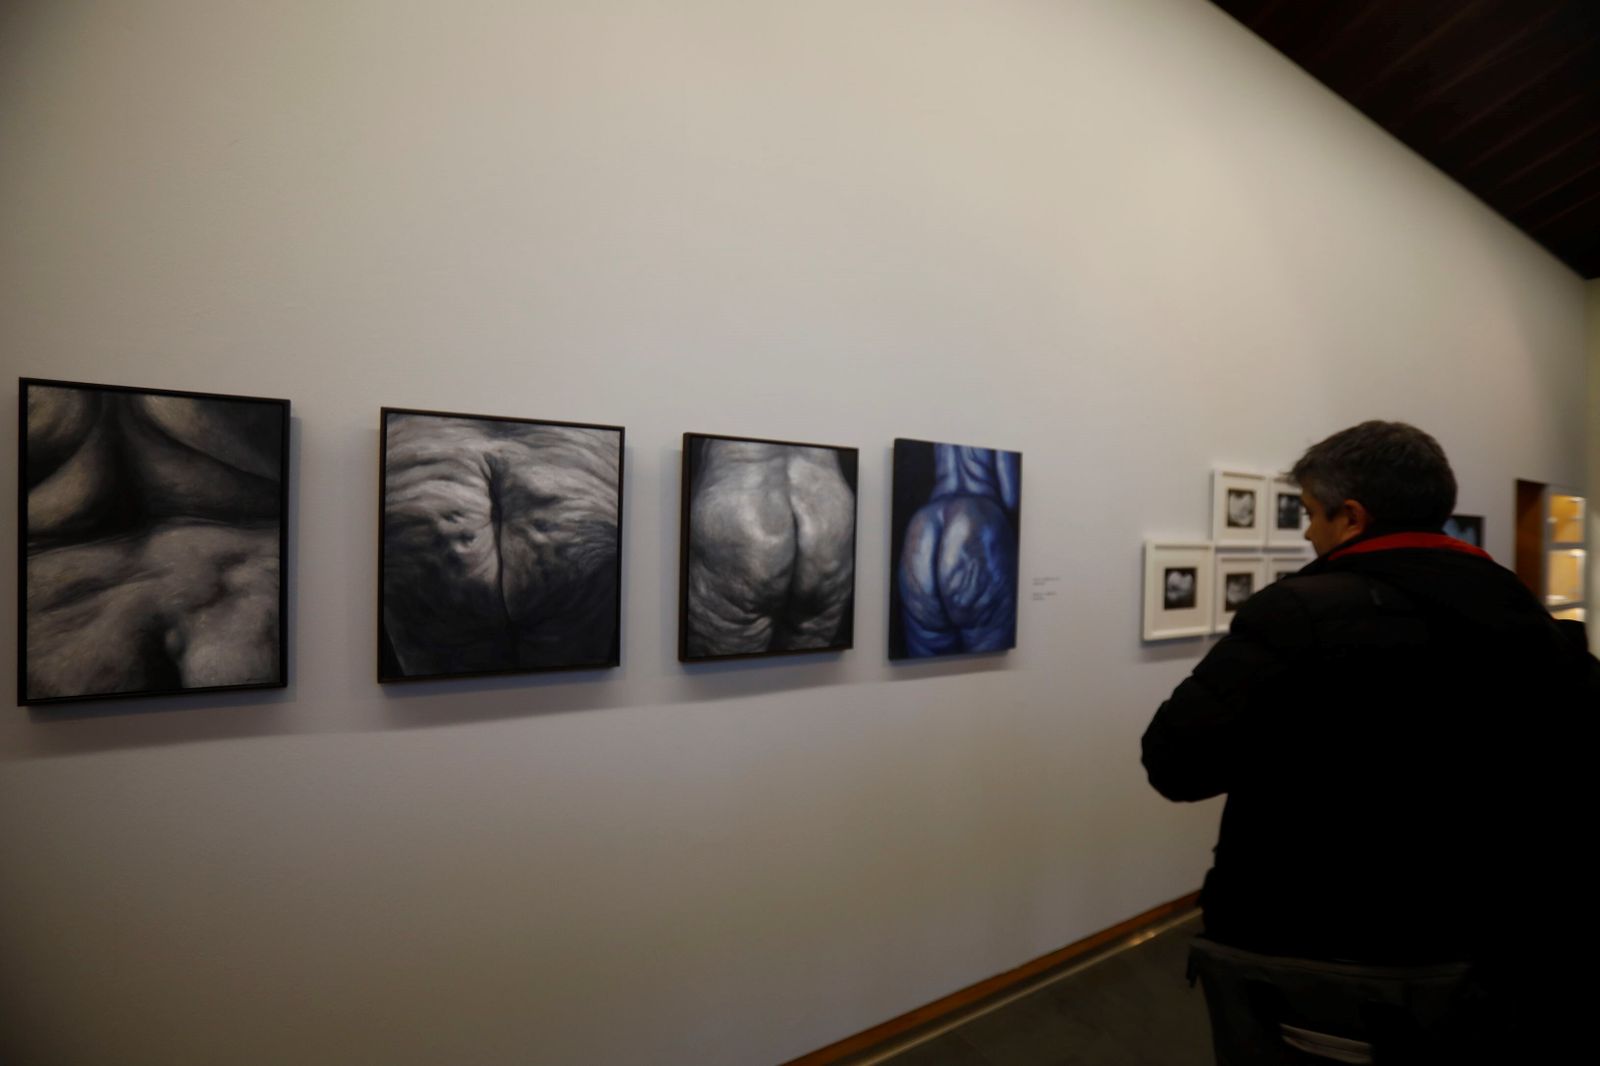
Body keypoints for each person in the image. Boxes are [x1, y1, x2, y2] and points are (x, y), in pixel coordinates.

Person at [1142, 421, 1598, 1060]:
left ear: (1351, 516)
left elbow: (1175, 762)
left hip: (1314, 946)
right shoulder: (1525, 616)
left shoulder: (1298, 613)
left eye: (1308, 514)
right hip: (1488, 945)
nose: (1306, 533)